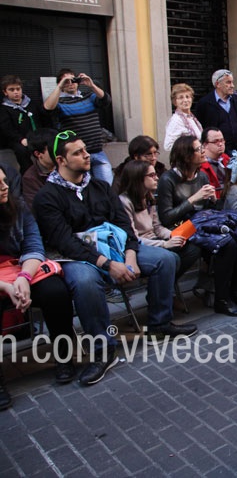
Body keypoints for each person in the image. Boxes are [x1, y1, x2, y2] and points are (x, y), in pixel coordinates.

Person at [34, 131, 196, 386]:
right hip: (77, 257)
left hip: (117, 247)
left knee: (166, 259)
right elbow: (64, 242)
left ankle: (159, 323)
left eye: (85, 149)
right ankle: (103, 351)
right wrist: (108, 264)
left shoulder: (99, 186)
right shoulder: (46, 196)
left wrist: (130, 255)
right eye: (78, 152)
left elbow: (123, 224)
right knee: (85, 283)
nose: (87, 155)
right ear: (61, 160)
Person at [0, 165, 77, 409]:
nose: (4, 187)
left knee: (55, 291)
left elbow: (33, 246)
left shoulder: (18, 207)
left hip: (20, 268)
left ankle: (64, 356)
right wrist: (6, 287)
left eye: (4, 181)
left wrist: (23, 277)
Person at [157, 135, 237, 315]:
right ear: (186, 155)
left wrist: (212, 201)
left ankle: (236, 292)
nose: (203, 152)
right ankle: (222, 299)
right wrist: (193, 199)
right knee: (228, 244)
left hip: (202, 226)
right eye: (198, 149)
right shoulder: (168, 179)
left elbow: (209, 212)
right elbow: (166, 218)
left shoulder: (202, 176)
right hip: (181, 229)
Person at [116, 160, 193, 276]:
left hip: (154, 239)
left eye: (155, 174)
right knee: (172, 258)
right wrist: (164, 244)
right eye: (151, 175)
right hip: (140, 245)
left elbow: (157, 227)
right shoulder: (124, 201)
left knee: (192, 248)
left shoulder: (148, 197)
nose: (157, 178)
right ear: (138, 178)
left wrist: (173, 235)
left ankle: (171, 279)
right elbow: (133, 238)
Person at [43, 69, 113, 184]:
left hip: (97, 151)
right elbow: (48, 108)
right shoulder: (59, 102)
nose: (70, 83)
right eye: (66, 81)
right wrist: (59, 87)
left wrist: (91, 85)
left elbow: (106, 100)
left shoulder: (89, 97)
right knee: (84, 186)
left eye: (73, 80)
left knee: (106, 185)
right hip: (77, 155)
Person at [194, 69, 237, 154]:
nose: (232, 86)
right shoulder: (205, 103)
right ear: (217, 84)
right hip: (216, 153)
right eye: (228, 82)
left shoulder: (236, 100)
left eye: (232, 82)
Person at [0, 75, 47, 173]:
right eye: (11, 90)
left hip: (35, 136)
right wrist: (21, 139)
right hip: (18, 139)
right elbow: (7, 129)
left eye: (18, 89)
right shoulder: (4, 109)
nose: (16, 92)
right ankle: (28, 174)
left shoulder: (31, 104)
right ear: (5, 92)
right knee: (22, 151)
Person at [22, 129, 57, 209]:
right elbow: (38, 207)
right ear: (38, 154)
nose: (57, 152)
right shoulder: (30, 178)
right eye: (52, 149)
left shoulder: (67, 165)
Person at [163, 83, 203, 152]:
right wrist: (189, 148)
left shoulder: (191, 118)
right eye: (181, 97)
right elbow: (168, 146)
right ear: (175, 102)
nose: (185, 100)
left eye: (187, 97)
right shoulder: (176, 120)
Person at [198, 127, 230, 199]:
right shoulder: (200, 166)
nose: (221, 144)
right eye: (216, 141)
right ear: (205, 144)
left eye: (222, 140)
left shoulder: (227, 159)